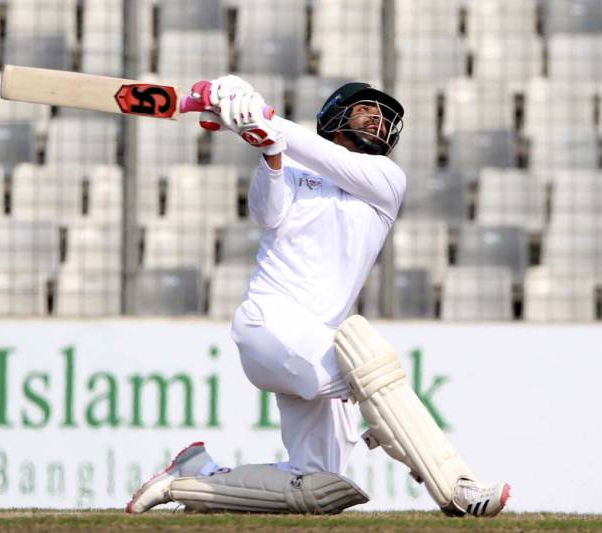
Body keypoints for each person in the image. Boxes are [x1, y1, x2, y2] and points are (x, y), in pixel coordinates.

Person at [125, 76, 510, 517]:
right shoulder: (293, 169)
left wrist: (266, 121)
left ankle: (193, 478)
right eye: (365, 110)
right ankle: (455, 484)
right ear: (332, 116)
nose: (376, 119)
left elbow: (312, 149)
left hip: (314, 341)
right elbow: (266, 214)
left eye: (383, 116)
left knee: (315, 487)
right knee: (368, 360)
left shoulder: (385, 179)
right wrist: (270, 153)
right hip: (270, 323)